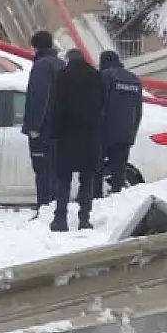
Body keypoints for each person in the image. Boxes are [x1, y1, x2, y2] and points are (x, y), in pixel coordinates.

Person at [48, 49, 104, 232]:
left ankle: (60, 219)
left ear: (68, 60)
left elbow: (56, 106)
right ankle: (84, 219)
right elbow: (102, 105)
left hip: (67, 135)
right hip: (90, 136)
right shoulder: (96, 76)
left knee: (63, 179)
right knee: (87, 179)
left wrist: (53, 133)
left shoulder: (63, 76)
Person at [22, 31, 65, 211]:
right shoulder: (62, 64)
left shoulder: (41, 66)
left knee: (42, 170)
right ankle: (56, 207)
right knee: (56, 170)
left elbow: (39, 97)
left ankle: (44, 207)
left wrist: (34, 126)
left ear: (36, 47)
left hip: (43, 128)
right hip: (60, 127)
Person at [95, 51, 142, 198]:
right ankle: (116, 198)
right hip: (125, 135)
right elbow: (138, 110)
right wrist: (132, 134)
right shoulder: (134, 79)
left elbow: (99, 105)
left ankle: (97, 200)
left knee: (96, 170)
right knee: (119, 173)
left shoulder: (104, 76)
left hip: (104, 133)